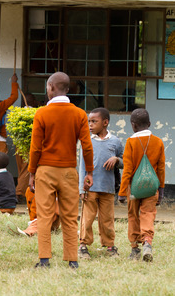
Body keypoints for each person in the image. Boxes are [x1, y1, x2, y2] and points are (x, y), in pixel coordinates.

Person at [28, 72, 93, 269]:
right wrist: (89, 172)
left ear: (51, 87)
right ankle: (72, 260)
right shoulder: (79, 114)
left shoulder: (41, 113)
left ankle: (44, 260)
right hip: (68, 171)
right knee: (70, 216)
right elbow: (87, 146)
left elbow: (35, 147)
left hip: (45, 170)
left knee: (45, 216)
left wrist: (32, 172)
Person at [118, 108, 165, 262]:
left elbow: (128, 169)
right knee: (148, 214)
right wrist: (161, 189)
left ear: (133, 125)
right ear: (149, 124)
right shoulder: (158, 142)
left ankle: (134, 249)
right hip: (152, 187)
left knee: (133, 216)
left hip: (134, 188)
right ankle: (147, 242)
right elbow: (161, 168)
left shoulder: (130, 142)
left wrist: (122, 192)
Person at [78, 108, 124, 259]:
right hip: (89, 188)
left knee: (107, 219)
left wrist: (117, 160)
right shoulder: (87, 141)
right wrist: (81, 188)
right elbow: (82, 166)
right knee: (87, 218)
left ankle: (110, 246)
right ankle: (83, 246)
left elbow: (125, 162)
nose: (90, 125)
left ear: (105, 123)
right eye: (89, 121)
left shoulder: (115, 142)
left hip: (108, 188)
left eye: (94, 121)